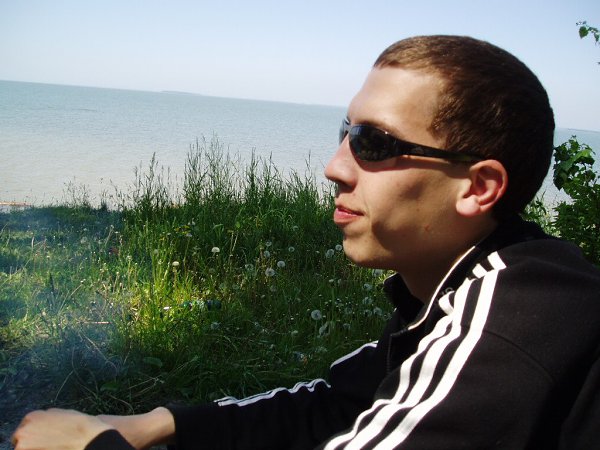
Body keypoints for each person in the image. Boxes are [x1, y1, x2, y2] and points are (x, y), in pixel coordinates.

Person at [12, 35, 600, 450]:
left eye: (373, 143)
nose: (334, 167)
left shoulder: (517, 318)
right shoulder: (461, 286)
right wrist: (158, 422)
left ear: (478, 188)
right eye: (345, 132)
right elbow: (336, 405)